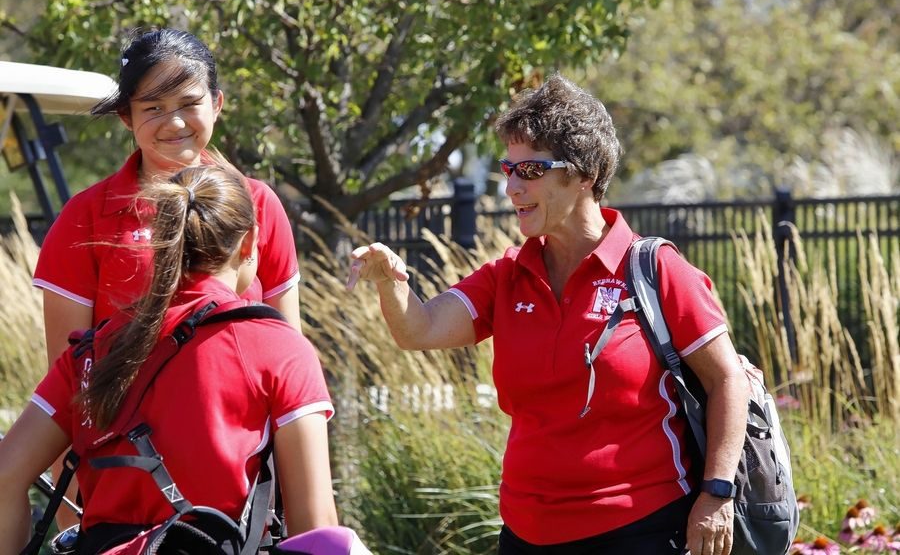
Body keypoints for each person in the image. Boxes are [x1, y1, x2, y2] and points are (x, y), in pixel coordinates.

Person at [346, 74, 751, 555]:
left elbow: (729, 380)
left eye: (531, 170)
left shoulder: (654, 269)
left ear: (582, 173)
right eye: (507, 170)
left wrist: (717, 493)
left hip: (642, 530)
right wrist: (392, 283)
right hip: (525, 535)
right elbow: (421, 329)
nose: (511, 188)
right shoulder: (506, 276)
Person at [32, 28, 303, 525]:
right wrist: (73, 522)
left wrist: (294, 511)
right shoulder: (85, 218)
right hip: (122, 506)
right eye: (152, 107)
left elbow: (290, 366)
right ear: (126, 117)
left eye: (189, 102)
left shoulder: (260, 205)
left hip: (242, 513)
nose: (173, 122)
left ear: (218, 104)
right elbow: (68, 384)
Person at [0, 165, 337, 554]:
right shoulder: (279, 348)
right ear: (249, 244)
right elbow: (316, 527)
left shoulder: (94, 349)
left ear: (160, 242)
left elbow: (6, 475)